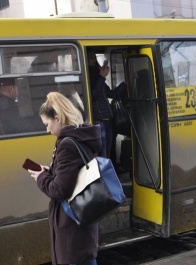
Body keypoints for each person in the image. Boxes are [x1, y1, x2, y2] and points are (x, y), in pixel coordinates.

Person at [28, 92, 101, 265]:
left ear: (58, 118)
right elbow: (72, 175)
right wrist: (52, 171)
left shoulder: (67, 144)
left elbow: (60, 189)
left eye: (47, 124)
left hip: (72, 231)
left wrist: (41, 177)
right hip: (81, 225)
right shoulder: (79, 137)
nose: (47, 130)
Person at [87, 50, 126, 160]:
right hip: (99, 121)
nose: (94, 59)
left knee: (108, 154)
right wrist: (101, 77)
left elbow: (111, 94)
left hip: (108, 120)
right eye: (91, 58)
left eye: (94, 57)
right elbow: (92, 97)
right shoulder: (87, 77)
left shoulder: (98, 76)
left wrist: (125, 83)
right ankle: (104, 178)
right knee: (103, 155)